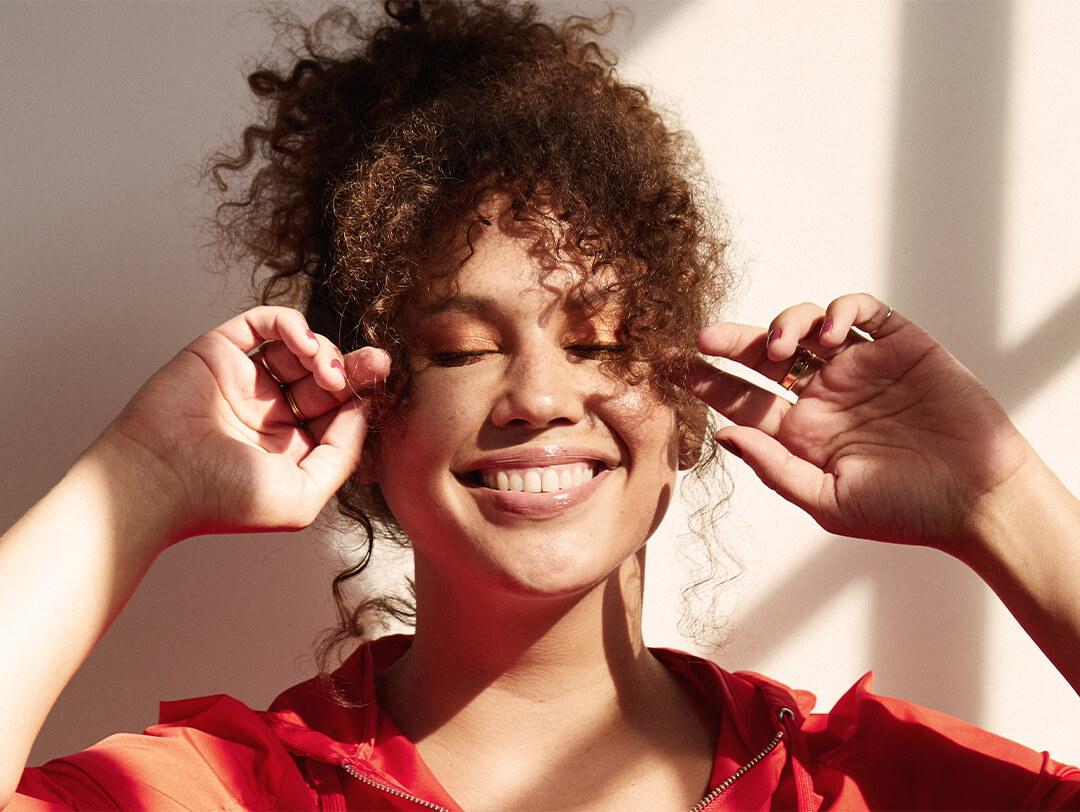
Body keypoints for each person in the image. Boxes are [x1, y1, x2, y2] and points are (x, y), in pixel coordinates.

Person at [3, 1, 1080, 809]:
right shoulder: (238, 791)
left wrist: (1002, 497)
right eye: (461, 349)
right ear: (366, 420)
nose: (539, 395)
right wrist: (139, 477)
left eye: (600, 339)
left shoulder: (863, 786)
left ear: (683, 400)